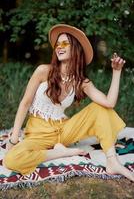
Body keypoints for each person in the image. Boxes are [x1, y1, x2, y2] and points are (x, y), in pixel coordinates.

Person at [3, 24, 134, 182]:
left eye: (65, 43)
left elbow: (109, 103)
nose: (59, 47)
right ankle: (62, 152)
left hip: (63, 131)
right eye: (58, 44)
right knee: (11, 159)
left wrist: (117, 72)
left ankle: (112, 161)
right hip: (38, 134)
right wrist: (14, 138)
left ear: (76, 48)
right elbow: (25, 103)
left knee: (101, 109)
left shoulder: (81, 81)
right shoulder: (43, 71)